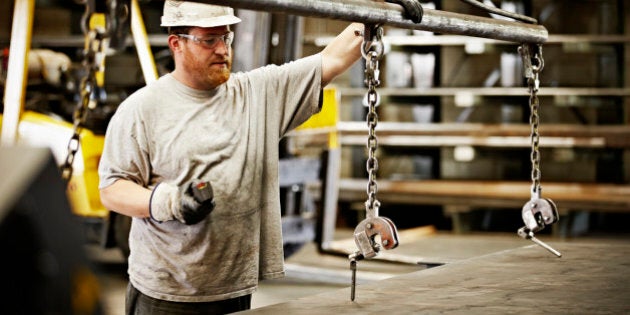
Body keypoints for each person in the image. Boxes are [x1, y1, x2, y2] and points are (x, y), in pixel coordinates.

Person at [97, 1, 365, 314]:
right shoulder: (141, 109)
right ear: (176, 44)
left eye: (226, 38)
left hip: (234, 289)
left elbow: (332, 58)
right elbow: (112, 188)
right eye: (208, 40)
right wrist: (168, 203)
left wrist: (380, 8)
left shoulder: (258, 94)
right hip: (166, 294)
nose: (223, 50)